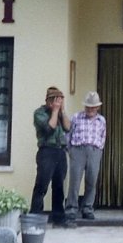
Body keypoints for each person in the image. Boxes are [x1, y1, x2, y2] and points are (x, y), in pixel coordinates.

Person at [31, 86, 74, 228]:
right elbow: (49, 129)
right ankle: (35, 217)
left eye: (60, 100)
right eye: (56, 100)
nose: (58, 103)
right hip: (46, 152)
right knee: (42, 185)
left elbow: (68, 128)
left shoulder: (60, 113)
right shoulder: (39, 113)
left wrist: (62, 111)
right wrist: (55, 111)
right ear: (49, 101)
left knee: (59, 186)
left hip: (60, 151)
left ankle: (59, 218)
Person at [65, 91, 107, 221]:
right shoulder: (76, 117)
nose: (90, 109)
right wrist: (70, 150)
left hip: (94, 150)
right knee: (75, 180)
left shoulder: (101, 120)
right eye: (88, 106)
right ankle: (71, 208)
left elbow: (103, 136)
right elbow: (68, 134)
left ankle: (88, 208)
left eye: (93, 107)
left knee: (92, 180)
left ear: (97, 107)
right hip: (78, 149)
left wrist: (99, 149)